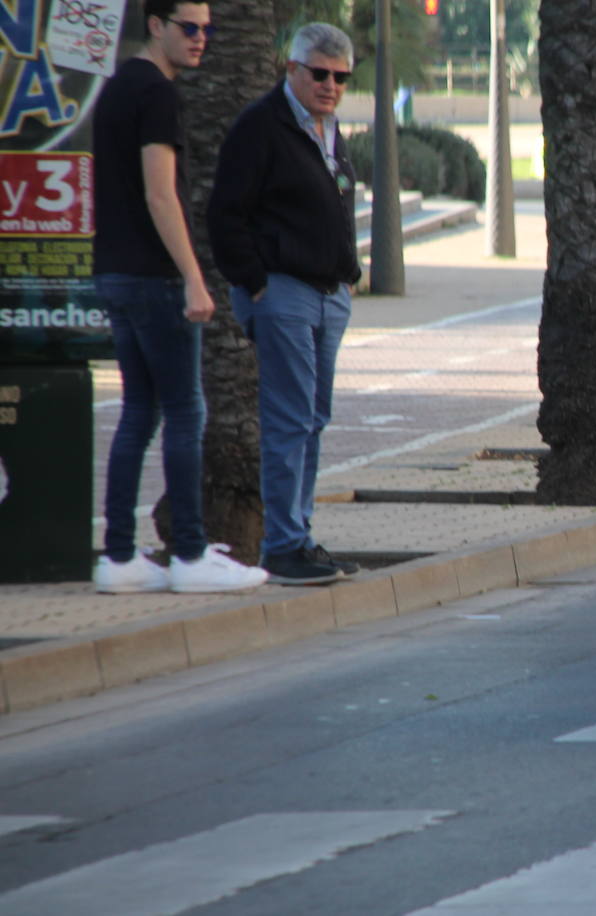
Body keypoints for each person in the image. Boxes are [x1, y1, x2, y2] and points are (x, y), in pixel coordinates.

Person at [91, 0, 267, 594]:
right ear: (157, 26)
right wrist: (193, 275)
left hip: (114, 274)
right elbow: (160, 195)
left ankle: (116, 559)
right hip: (154, 279)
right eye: (189, 28)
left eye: (208, 30)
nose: (201, 39)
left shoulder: (117, 88)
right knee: (186, 413)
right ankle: (191, 556)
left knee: (140, 413)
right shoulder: (158, 95)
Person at [208, 22, 361, 585]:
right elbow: (225, 213)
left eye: (340, 77)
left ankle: (300, 536)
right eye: (319, 73)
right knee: (289, 420)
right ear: (292, 69)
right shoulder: (261, 127)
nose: (330, 85)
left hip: (328, 296)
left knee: (314, 419)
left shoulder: (327, 128)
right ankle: (282, 546)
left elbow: (338, 203)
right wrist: (255, 281)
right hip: (283, 293)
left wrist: (350, 274)